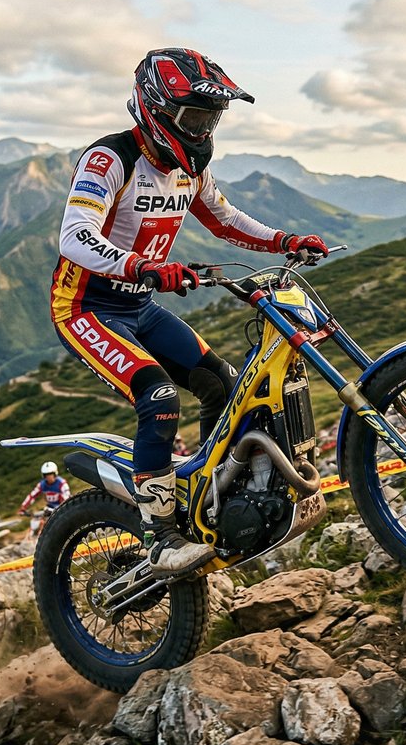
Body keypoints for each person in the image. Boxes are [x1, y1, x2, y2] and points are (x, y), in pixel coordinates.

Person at [51, 48, 329, 575]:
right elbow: (75, 238)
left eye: (211, 117)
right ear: (156, 108)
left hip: (139, 305)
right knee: (157, 396)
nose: (203, 129)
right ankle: (161, 537)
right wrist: (140, 267)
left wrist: (283, 240)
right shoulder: (110, 160)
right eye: (194, 116)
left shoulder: (187, 170)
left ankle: (208, 504)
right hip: (85, 307)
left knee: (221, 384)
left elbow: (226, 221)